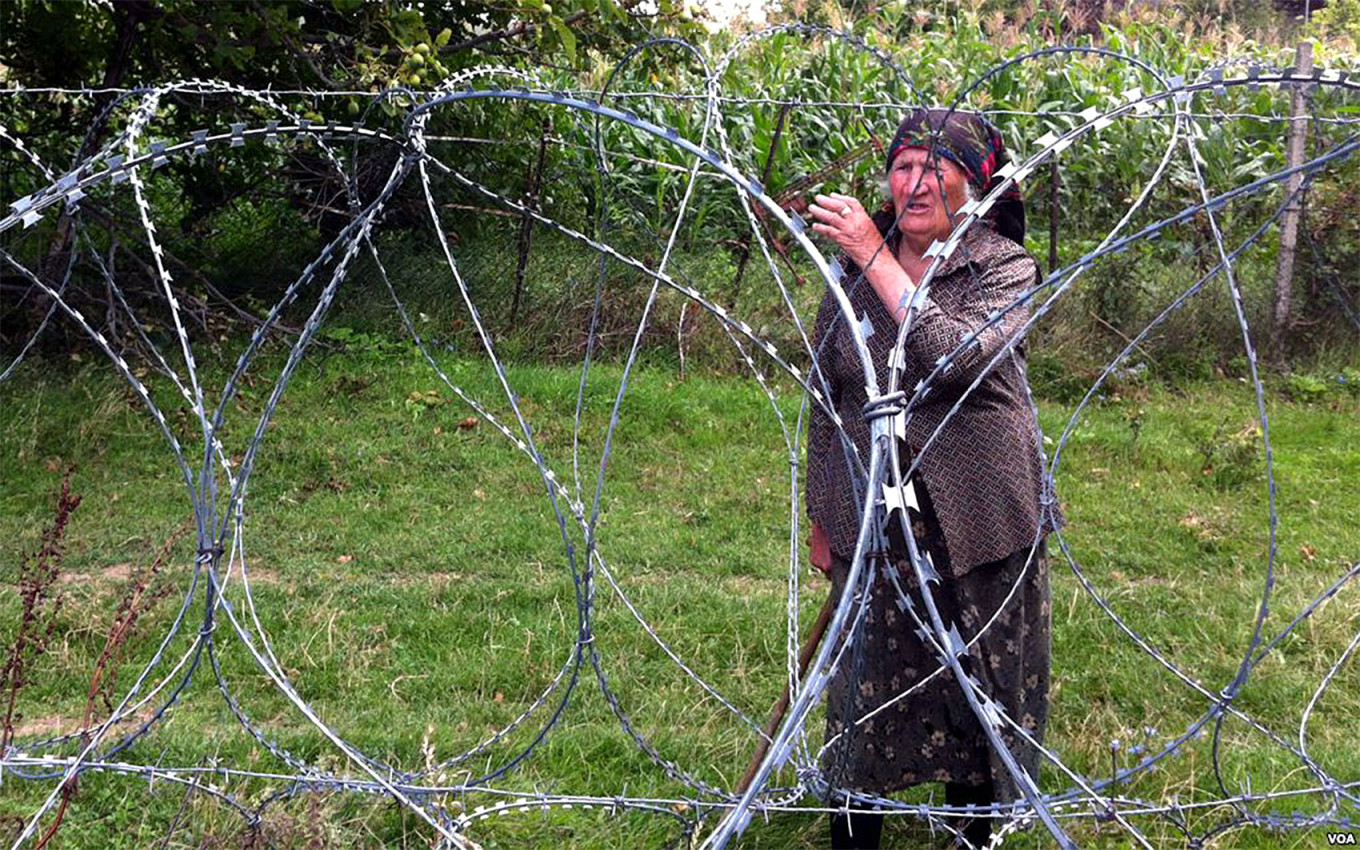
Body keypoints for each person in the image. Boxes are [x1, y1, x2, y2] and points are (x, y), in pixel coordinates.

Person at [803, 108, 1059, 849]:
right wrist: (823, 515)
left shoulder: (1001, 266)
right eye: (902, 166)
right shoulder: (847, 273)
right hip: (874, 509)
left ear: (974, 183)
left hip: (979, 515)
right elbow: (826, 395)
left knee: (975, 686)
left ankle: (970, 831)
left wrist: (873, 256)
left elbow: (957, 357)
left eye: (933, 168)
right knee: (862, 692)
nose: (913, 185)